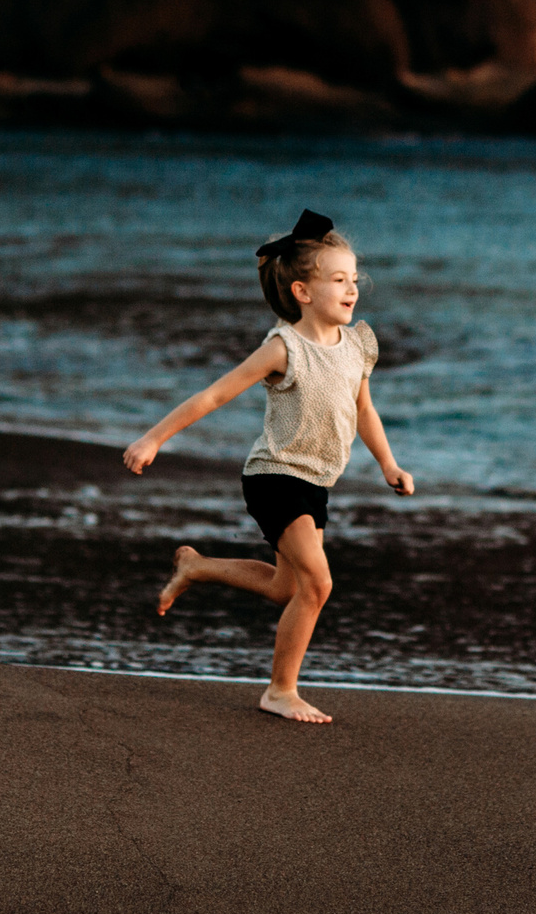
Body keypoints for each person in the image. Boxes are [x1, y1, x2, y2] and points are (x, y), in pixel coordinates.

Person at [121, 209, 414, 722]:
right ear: (303, 291)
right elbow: (214, 395)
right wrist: (153, 439)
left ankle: (197, 567)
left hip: (317, 481)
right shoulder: (284, 348)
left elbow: (364, 409)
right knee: (318, 585)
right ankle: (280, 690)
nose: (352, 291)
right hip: (274, 476)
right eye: (338, 281)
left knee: (286, 587)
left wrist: (388, 464)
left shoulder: (357, 346)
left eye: (355, 281)